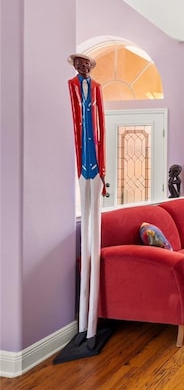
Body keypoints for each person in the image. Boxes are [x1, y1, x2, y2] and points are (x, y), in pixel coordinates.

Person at [56, 53, 110, 361]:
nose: (82, 67)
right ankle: (83, 328)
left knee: (94, 242)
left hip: (95, 172)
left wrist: (103, 173)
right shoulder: (71, 89)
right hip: (83, 171)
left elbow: (100, 125)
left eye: (85, 64)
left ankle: (90, 329)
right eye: (78, 63)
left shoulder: (97, 90)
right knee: (88, 244)